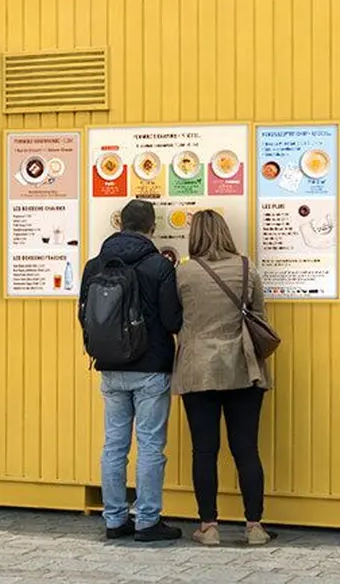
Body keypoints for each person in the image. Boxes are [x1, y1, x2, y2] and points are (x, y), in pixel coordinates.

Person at [79, 198, 183, 542]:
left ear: (119, 224)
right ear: (151, 227)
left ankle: (114, 519)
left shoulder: (95, 265)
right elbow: (172, 320)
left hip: (109, 365)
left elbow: (85, 315)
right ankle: (148, 521)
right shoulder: (158, 266)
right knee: (151, 444)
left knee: (114, 445)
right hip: (152, 367)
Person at [173, 210, 273, 547]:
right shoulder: (247, 268)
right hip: (244, 367)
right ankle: (255, 526)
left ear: (195, 235)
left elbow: (174, 319)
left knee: (204, 450)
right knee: (246, 448)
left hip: (199, 369)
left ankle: (209, 526)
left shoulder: (184, 273)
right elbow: (259, 315)